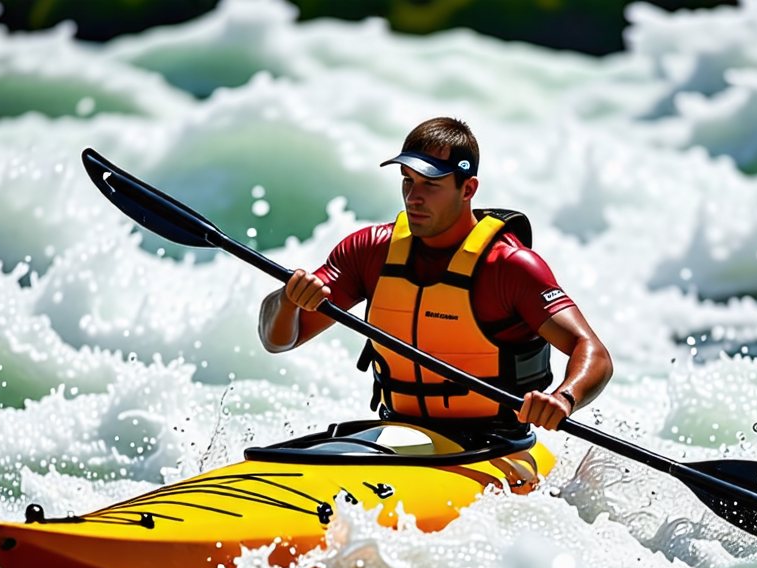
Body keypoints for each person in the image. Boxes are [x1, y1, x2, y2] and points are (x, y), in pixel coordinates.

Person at [258, 117, 611, 438]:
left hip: (494, 442)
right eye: (407, 182)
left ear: (468, 189)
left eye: (431, 184)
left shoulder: (509, 267)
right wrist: (288, 300)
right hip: (397, 434)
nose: (414, 197)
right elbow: (278, 341)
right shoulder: (369, 251)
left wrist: (564, 398)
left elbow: (594, 353)